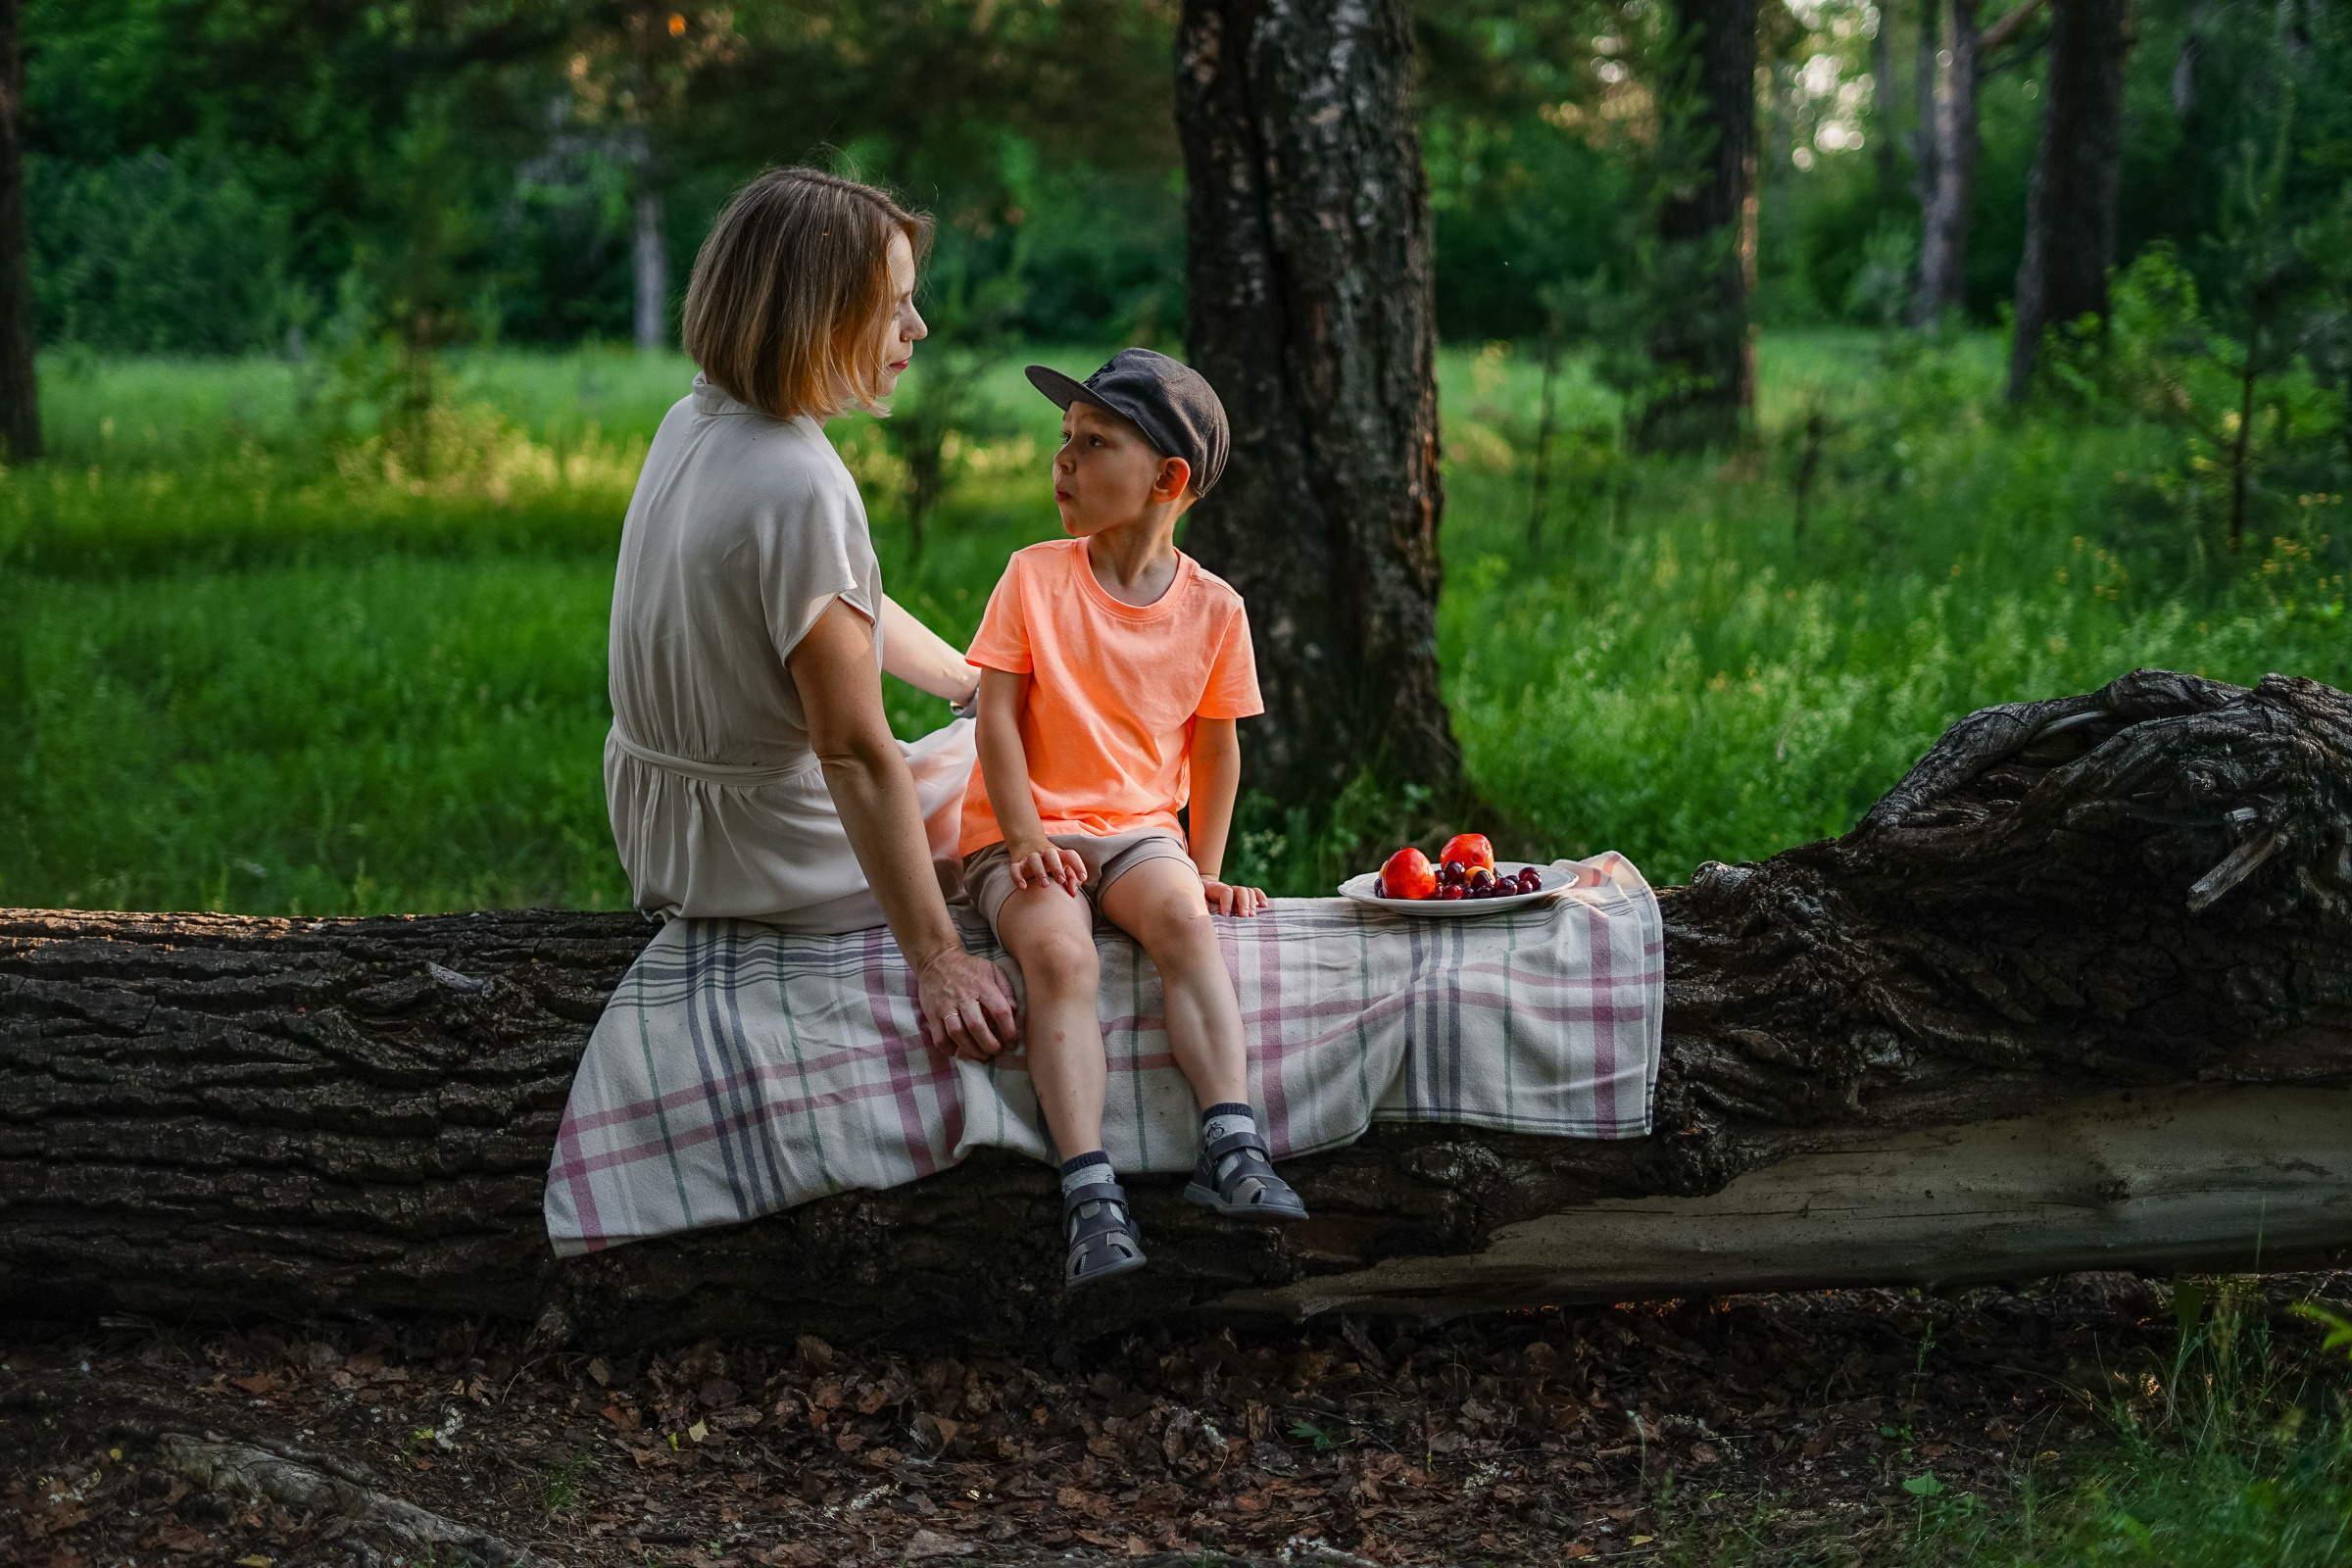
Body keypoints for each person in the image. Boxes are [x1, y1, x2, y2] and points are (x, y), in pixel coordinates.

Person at [604, 167, 1017, 1060]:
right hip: (766, 851)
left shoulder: (699, 418)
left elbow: (831, 597)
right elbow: (854, 753)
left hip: (663, 828)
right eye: (895, 306)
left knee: (995, 724)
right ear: (815, 312)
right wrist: (938, 959)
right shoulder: (800, 481)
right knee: (1039, 772)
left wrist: (967, 682)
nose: (919, 329)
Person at [959, 349, 1310, 1290]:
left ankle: (1230, 1148)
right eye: (1064, 441)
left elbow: (1215, 750)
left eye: (1093, 442)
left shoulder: (1215, 609)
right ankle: (1090, 1192)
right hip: (1022, 831)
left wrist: (1203, 864)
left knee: (1185, 922)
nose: (1063, 462)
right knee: (1062, 955)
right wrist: (1026, 835)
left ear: (1168, 478)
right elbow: (994, 716)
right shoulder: (1034, 577)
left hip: (1139, 831)